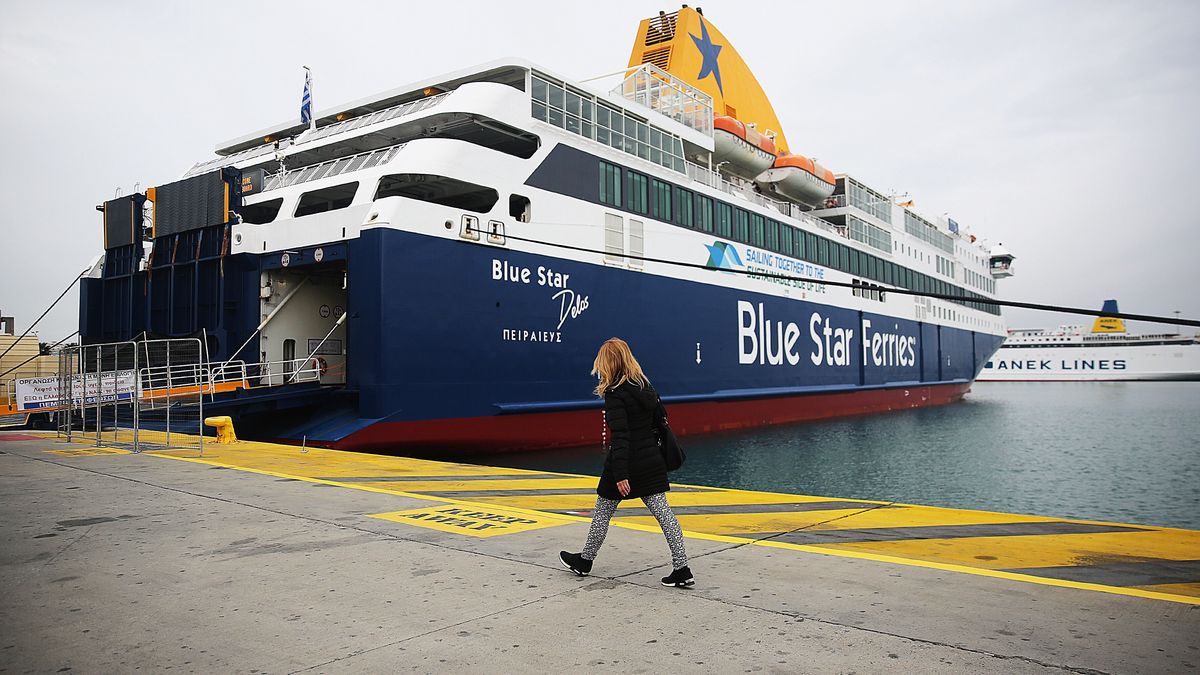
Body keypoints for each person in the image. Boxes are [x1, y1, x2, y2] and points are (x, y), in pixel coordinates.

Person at [559, 338, 694, 587]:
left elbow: (621, 437)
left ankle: (585, 560)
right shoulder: (645, 386)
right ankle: (682, 568)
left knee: (602, 513)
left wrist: (621, 474)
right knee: (665, 515)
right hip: (651, 461)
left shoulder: (615, 394)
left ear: (609, 364)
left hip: (625, 464)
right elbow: (660, 421)